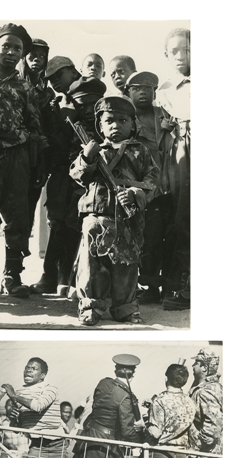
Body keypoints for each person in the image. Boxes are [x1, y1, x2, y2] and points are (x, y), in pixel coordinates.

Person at [71, 96, 159, 325]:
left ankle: (125, 308)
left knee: (126, 266)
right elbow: (77, 176)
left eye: (122, 120)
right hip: (97, 217)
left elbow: (153, 181)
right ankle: (91, 306)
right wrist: (86, 158)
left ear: (133, 124)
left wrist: (135, 194)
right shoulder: (93, 150)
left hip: (128, 218)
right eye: (109, 121)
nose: (115, 126)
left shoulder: (141, 151)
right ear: (100, 126)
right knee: (92, 265)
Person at [0, 23, 47, 297]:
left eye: (17, 49)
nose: (11, 52)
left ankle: (11, 277)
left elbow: (34, 126)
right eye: (6, 46)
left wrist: (32, 162)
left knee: (18, 218)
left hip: (17, 157)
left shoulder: (25, 86)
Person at [31, 57, 84, 296]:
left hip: (84, 172)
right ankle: (50, 276)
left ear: (73, 72)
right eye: (50, 79)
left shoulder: (89, 96)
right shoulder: (55, 102)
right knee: (57, 222)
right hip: (61, 171)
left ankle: (67, 277)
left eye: (57, 76)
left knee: (74, 222)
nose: (53, 83)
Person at [125, 71, 174, 305]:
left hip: (164, 188)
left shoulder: (163, 115)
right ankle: (138, 286)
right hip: (136, 189)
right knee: (140, 238)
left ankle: (157, 287)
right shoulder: (124, 118)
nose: (143, 92)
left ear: (155, 92)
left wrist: (169, 128)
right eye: (136, 88)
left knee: (160, 237)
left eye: (147, 87)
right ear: (128, 92)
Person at [157, 28, 191, 311]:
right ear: (167, 55)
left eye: (188, 49)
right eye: (175, 51)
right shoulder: (166, 91)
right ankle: (183, 285)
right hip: (182, 152)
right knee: (184, 217)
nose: (182, 56)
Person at [1, 357, 62, 458]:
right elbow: (17, 428)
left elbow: (37, 405)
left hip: (57, 445)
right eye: (27, 367)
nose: (28, 370)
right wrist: (13, 417)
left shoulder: (50, 388)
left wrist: (14, 396)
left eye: (34, 368)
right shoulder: (20, 393)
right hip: (36, 445)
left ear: (43, 375)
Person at [17, 38, 54, 234]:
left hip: (37, 157)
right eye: (33, 54)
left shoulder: (48, 93)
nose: (37, 59)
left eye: (42, 56)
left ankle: (15, 263)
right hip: (15, 154)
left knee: (29, 209)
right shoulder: (13, 84)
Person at [187, 347, 223, 458]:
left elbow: (213, 428)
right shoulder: (212, 387)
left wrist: (196, 446)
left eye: (196, 363)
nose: (192, 366)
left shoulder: (206, 391)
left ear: (203, 367)